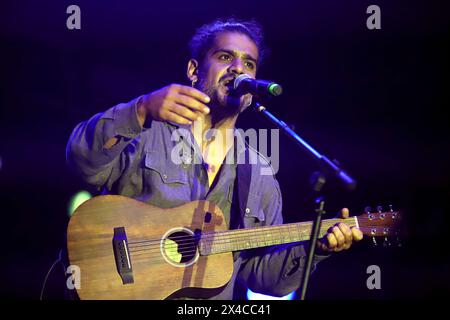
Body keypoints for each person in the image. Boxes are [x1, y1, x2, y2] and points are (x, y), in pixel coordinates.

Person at [66, 18, 363, 300]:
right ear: (194, 70)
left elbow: (264, 278)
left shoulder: (259, 173)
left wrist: (318, 248)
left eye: (249, 63)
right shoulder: (148, 131)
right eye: (225, 57)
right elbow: (83, 162)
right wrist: (141, 109)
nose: (239, 69)